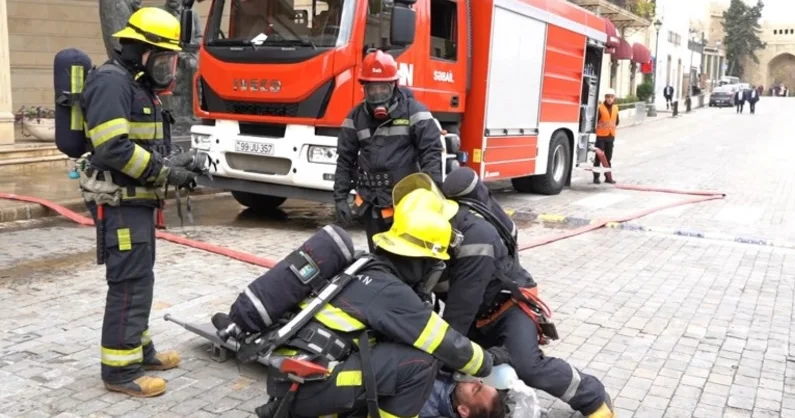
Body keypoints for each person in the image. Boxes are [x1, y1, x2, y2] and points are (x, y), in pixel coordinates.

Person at [224, 214, 510, 417]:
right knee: (419, 364)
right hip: (307, 385)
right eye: (435, 264)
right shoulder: (391, 292)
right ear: (423, 260)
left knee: (395, 358)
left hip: (296, 377)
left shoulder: (363, 265)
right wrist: (488, 361)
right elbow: (447, 344)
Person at [390, 171, 615, 417]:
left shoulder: (476, 239)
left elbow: (459, 315)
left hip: (508, 307)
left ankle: (593, 397)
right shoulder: (417, 237)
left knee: (527, 366)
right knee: (469, 368)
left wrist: (433, 363)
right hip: (477, 314)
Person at [80, 7, 202, 397]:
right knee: (128, 283)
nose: (168, 67)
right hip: (121, 204)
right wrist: (167, 174)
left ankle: (139, 348)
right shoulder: (112, 84)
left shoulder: (136, 86)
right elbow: (113, 148)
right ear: (138, 50)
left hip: (138, 203)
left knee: (140, 279)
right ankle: (120, 370)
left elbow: (143, 144)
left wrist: (174, 162)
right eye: (163, 58)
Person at [333, 49, 444, 252]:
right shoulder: (356, 117)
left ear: (393, 85)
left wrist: (430, 197)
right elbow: (345, 159)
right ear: (364, 89)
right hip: (371, 201)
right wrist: (340, 197)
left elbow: (431, 153)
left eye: (382, 88)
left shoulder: (414, 112)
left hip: (405, 202)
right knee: (377, 254)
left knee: (407, 254)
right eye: (372, 89)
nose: (377, 95)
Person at [421, 371, 507, 418]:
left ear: (463, 410)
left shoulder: (421, 407)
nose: (476, 381)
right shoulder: (456, 370)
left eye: (475, 389)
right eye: (482, 382)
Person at [593, 89, 618, 185]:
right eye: (608, 97)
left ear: (614, 98)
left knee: (608, 158)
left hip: (610, 136)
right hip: (600, 137)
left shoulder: (616, 108)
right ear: (605, 98)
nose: (610, 99)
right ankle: (596, 177)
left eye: (611, 97)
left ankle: (608, 178)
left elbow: (617, 121)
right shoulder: (600, 108)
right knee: (598, 158)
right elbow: (596, 121)